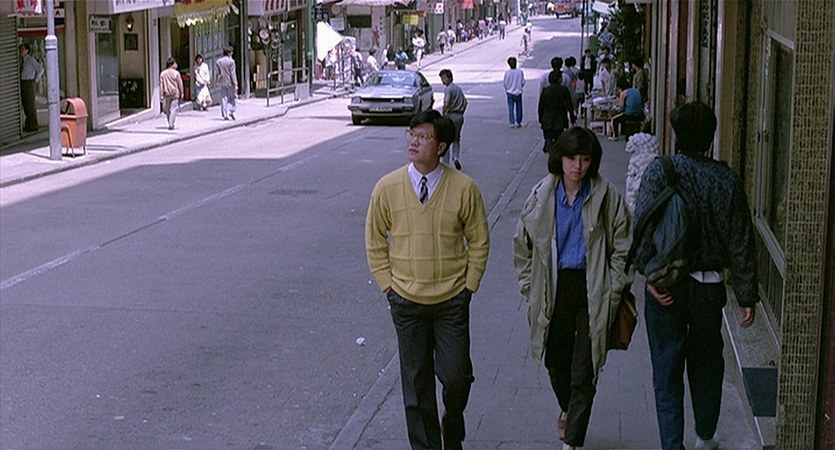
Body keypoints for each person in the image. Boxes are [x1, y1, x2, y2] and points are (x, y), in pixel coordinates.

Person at [633, 102, 759, 450]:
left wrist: (649, 275)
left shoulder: (661, 170)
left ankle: (672, 444)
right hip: (709, 287)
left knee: (666, 367)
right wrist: (746, 294)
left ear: (676, 135)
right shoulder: (726, 179)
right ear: (710, 138)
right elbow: (740, 239)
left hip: (667, 285)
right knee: (706, 363)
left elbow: (642, 224)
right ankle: (705, 436)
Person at [365, 109, 490, 450]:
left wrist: (469, 286)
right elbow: (375, 239)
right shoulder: (387, 188)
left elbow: (479, 240)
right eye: (412, 134)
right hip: (406, 300)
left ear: (441, 147)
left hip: (451, 299)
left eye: (423, 136)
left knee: (456, 376)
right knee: (416, 383)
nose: (414, 141)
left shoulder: (464, 188)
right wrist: (388, 285)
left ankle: (453, 420)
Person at [513, 126, 632, 450]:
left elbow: (623, 244)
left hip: (593, 286)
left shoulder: (606, 196)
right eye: (571, 158)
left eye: (584, 159)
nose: (577, 166)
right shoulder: (542, 195)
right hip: (554, 286)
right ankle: (568, 408)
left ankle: (572, 441)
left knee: (585, 367)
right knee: (555, 361)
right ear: (560, 159)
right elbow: (522, 245)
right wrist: (529, 286)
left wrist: (614, 287)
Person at [538, 71, 576, 153]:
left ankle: (549, 148)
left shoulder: (545, 91)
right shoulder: (563, 90)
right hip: (560, 119)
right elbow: (569, 105)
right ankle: (553, 150)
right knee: (558, 138)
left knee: (548, 137)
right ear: (560, 79)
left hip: (547, 119)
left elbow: (541, 106)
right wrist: (572, 117)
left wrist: (540, 118)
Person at [439, 69, 468, 170]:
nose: (443, 81)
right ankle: (456, 157)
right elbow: (465, 102)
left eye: (444, 78)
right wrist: (461, 112)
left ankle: (445, 162)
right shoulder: (458, 88)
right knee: (456, 138)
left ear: (450, 78)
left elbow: (446, 103)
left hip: (450, 116)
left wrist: (443, 113)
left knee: (446, 138)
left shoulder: (448, 89)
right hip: (459, 116)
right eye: (442, 79)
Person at [19, 44, 44, 132]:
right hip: (23, 83)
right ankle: (28, 124)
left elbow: (40, 69)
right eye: (20, 49)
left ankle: (33, 125)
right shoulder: (22, 61)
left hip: (29, 83)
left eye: (23, 49)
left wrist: (36, 80)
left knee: (30, 104)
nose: (21, 51)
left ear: (27, 50)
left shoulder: (30, 60)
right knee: (25, 104)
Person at [159, 57, 184, 130]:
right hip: (175, 93)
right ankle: (171, 124)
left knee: (167, 110)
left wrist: (161, 95)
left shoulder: (163, 74)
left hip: (166, 93)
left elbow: (161, 85)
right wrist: (182, 92)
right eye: (175, 63)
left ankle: (170, 122)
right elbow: (180, 83)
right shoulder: (176, 73)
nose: (176, 65)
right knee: (173, 109)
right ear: (171, 64)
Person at [215, 46, 238, 121]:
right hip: (230, 82)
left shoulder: (219, 61)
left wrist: (217, 81)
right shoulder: (231, 62)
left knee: (224, 97)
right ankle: (232, 110)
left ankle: (224, 114)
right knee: (233, 97)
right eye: (231, 52)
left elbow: (217, 73)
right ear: (229, 53)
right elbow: (233, 74)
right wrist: (235, 84)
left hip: (222, 81)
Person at [503, 56, 525, 128]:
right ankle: (518, 122)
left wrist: (507, 89)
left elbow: (505, 83)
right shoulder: (520, 72)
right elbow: (523, 82)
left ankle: (512, 122)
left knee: (511, 108)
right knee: (519, 107)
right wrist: (520, 86)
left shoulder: (507, 73)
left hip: (510, 92)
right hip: (518, 92)